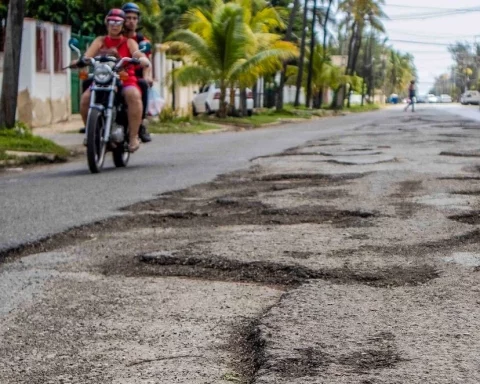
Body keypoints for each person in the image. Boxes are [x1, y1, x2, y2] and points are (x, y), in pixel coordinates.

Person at [73, 9, 150, 152]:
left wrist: (142, 59)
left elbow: (137, 53)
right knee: (85, 99)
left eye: (118, 22)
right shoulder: (100, 41)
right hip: (103, 79)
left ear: (122, 25)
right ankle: (91, 133)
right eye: (111, 22)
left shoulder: (129, 42)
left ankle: (133, 136)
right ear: (107, 23)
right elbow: (87, 56)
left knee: (133, 95)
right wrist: (79, 61)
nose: (114, 25)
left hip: (124, 78)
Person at [122, 2, 152, 143]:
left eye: (134, 18)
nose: (131, 21)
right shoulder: (117, 36)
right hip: (116, 72)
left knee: (143, 85)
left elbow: (147, 62)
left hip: (136, 74)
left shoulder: (142, 41)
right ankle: (92, 122)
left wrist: (147, 77)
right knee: (88, 82)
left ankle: (140, 124)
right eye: (128, 18)